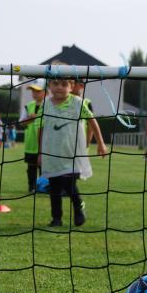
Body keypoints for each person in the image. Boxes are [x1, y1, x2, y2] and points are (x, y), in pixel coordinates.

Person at [38, 79, 107, 227]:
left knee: (69, 184)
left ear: (71, 86)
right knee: (54, 187)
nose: (59, 87)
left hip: (72, 154)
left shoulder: (77, 102)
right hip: (52, 154)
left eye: (64, 84)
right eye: (55, 84)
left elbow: (92, 120)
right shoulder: (45, 105)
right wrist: (40, 153)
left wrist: (101, 143)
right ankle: (56, 218)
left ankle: (78, 207)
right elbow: (41, 127)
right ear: (49, 85)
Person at [20, 80, 45, 192]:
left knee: (45, 168)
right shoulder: (28, 106)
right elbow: (21, 122)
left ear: (45, 92)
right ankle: (32, 187)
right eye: (33, 91)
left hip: (45, 144)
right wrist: (29, 119)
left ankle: (45, 186)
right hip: (31, 144)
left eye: (37, 91)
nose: (34, 93)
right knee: (31, 167)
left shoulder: (50, 106)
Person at [72, 78, 95, 147]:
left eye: (73, 84)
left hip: (80, 142)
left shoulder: (86, 102)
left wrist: (87, 141)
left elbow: (91, 125)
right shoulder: (63, 101)